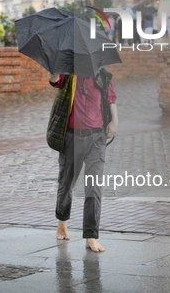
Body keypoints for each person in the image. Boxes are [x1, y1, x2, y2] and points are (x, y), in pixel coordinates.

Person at [47, 69, 118, 252]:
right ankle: (62, 221)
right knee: (66, 182)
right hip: (72, 137)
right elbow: (54, 80)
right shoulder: (68, 74)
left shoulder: (102, 74)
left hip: (96, 138)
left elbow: (111, 99)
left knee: (93, 186)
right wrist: (53, 68)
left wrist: (114, 121)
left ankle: (91, 236)